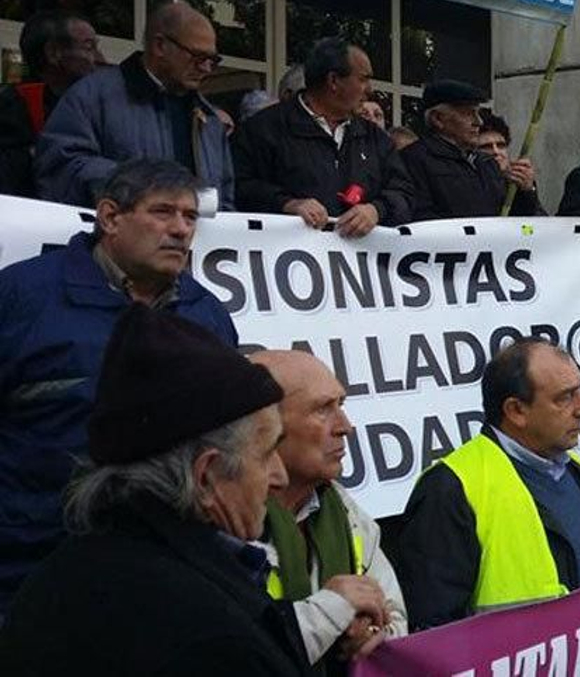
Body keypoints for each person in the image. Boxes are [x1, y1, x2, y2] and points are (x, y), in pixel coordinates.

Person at [0, 306, 302, 674]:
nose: (280, 476)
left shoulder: (57, 579)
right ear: (206, 476)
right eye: (267, 452)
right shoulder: (209, 638)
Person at [0, 160, 236, 617]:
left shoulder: (206, 314)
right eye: (163, 212)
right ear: (110, 217)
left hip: (167, 577)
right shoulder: (21, 300)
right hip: (30, 576)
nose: (180, 230)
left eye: (189, 217)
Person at [394, 339, 580, 630]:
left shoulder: (579, 471)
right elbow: (434, 635)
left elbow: (574, 553)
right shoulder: (452, 489)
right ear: (516, 410)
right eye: (566, 397)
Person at [250, 351, 405, 671]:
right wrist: (330, 612)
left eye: (341, 405)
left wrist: (373, 635)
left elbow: (396, 619)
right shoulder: (223, 523)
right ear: (265, 425)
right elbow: (235, 652)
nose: (345, 427)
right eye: (323, 409)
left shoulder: (346, 512)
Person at [35, 0, 234, 209]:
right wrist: (145, 189)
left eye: (212, 60)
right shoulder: (93, 97)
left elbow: (226, 200)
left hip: (197, 241)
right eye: (197, 57)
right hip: (115, 237)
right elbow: (60, 170)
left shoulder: (208, 119)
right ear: (160, 46)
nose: (206, 68)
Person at [232, 37, 416, 236]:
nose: (370, 89)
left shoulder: (375, 138)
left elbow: (405, 193)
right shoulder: (264, 128)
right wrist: (287, 203)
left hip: (360, 262)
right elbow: (239, 186)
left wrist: (376, 210)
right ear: (334, 81)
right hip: (288, 258)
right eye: (363, 79)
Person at [401, 80, 544, 219]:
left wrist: (526, 190)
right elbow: (420, 220)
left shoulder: (487, 164)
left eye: (478, 113)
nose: (479, 122)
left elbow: (515, 220)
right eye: (468, 113)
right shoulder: (413, 161)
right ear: (438, 119)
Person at [0, 10, 104, 197]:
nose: (100, 58)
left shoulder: (96, 105)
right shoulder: (15, 105)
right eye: (89, 47)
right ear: (54, 53)